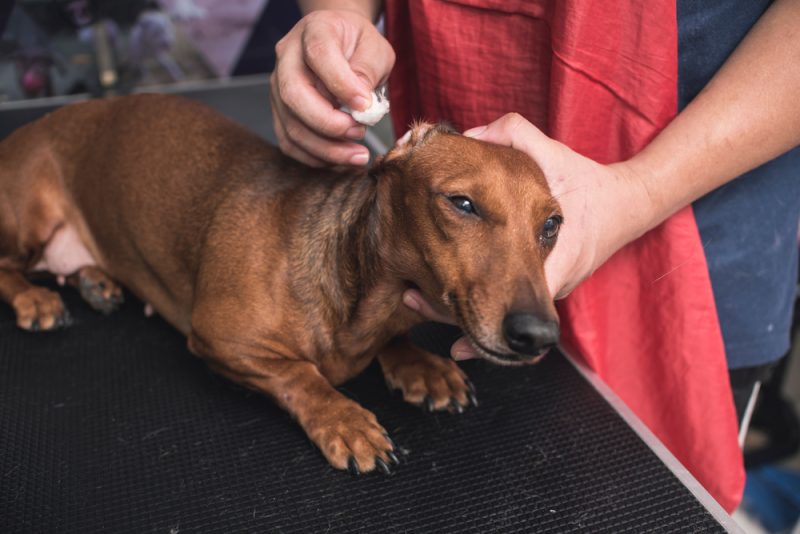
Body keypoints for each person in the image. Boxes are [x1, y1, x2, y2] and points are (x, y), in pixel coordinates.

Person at [270, 0, 800, 511]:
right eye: (464, 205)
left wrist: (638, 190)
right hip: (438, 262)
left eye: (548, 225)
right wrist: (340, 16)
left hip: (701, 241)